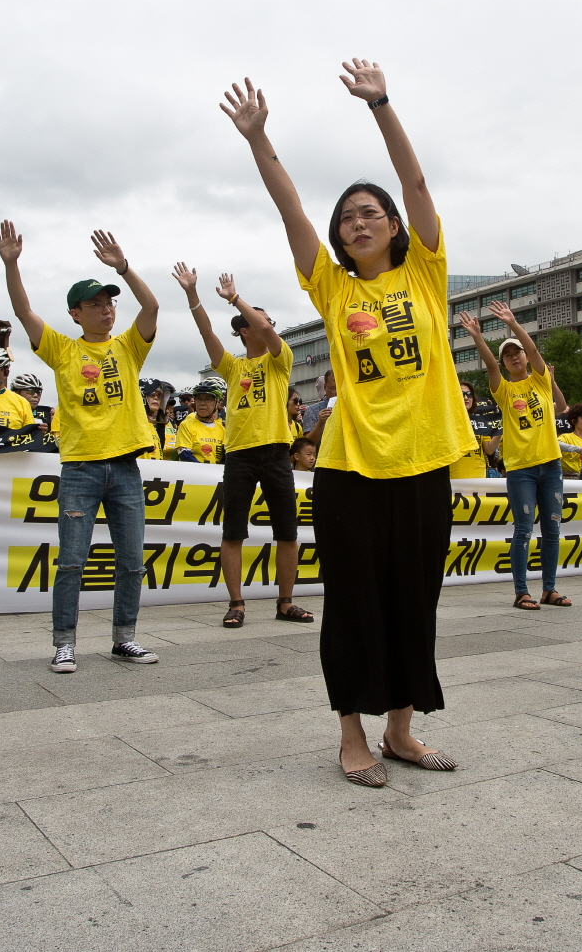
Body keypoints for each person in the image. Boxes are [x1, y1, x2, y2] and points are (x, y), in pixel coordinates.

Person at [224, 61, 467, 786]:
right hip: (348, 467)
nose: (356, 222)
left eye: (370, 213)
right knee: (354, 604)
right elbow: (291, 210)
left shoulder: (425, 271)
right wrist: (260, 140)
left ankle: (401, 732)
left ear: (393, 225)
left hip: (423, 462)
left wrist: (383, 106)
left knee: (413, 602)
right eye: (347, 217)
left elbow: (418, 185)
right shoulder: (331, 287)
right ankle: (351, 737)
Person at [0, 220, 162, 673]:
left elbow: (150, 305)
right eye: (94, 305)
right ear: (75, 313)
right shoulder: (61, 350)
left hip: (125, 469)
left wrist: (124, 268)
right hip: (80, 472)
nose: (106, 310)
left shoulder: (130, 347)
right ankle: (64, 643)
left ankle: (124, 638)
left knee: (131, 563)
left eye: (109, 303)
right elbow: (22, 310)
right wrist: (11, 264)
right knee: (71, 562)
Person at [174, 265, 312, 628]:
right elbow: (206, 332)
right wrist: (193, 294)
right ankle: (236, 603)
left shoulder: (280, 361)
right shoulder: (234, 368)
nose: (269, 326)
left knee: (287, 532)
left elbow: (267, 330)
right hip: (239, 455)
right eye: (257, 319)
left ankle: (285, 602)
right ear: (243, 329)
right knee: (232, 532)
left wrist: (236, 298)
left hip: (276, 452)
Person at [460, 302, 567, 610]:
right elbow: (490, 366)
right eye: (508, 354)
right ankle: (522, 591)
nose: (514, 357)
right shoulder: (504, 391)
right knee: (523, 530)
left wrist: (513, 323)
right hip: (521, 469)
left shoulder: (541, 382)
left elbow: (534, 351)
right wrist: (478, 337)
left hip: (551, 464)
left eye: (516, 352)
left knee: (552, 529)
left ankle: (549, 589)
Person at [169, 376, 228, 463]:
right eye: (199, 399)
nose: (202, 403)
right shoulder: (186, 425)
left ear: (217, 403)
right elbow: (185, 454)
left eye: (207, 399)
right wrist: (204, 471)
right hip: (193, 474)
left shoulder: (222, 429)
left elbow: (225, 457)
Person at [140, 378, 177, 457]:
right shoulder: (132, 422)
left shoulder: (156, 423)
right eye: (152, 394)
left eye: (159, 395)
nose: (156, 398)